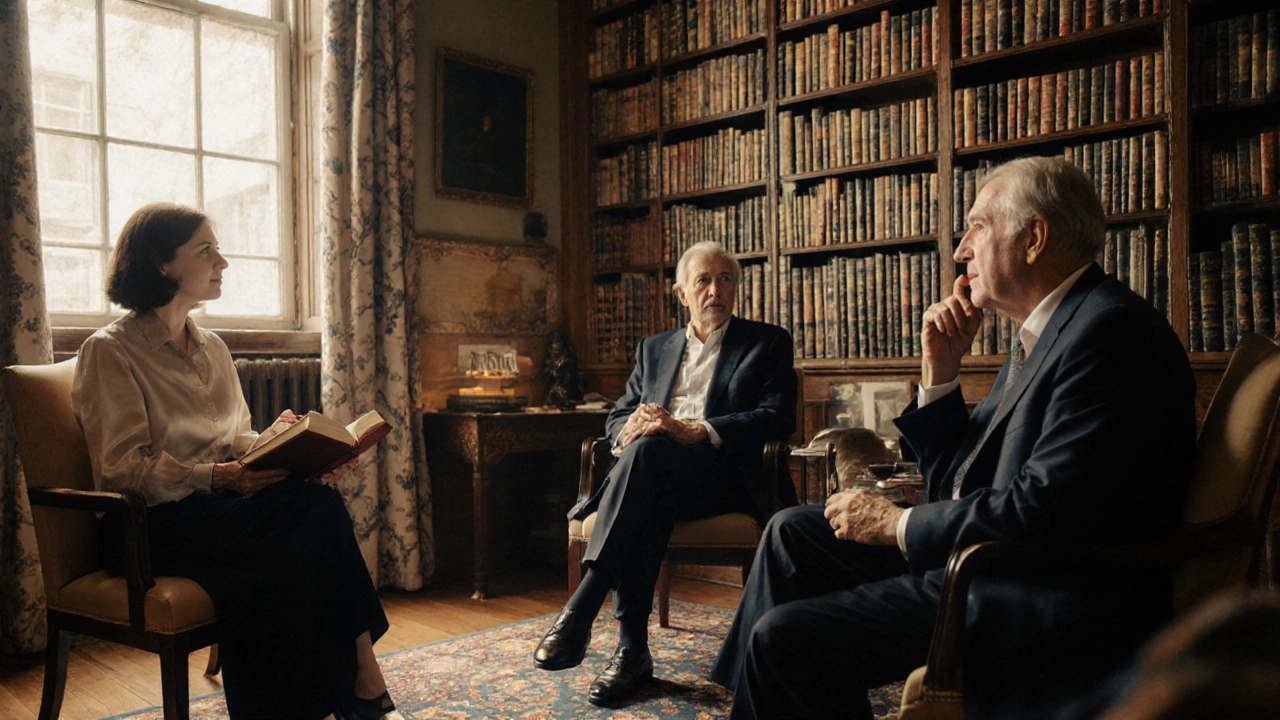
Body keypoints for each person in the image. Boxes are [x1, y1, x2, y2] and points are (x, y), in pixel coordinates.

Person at [710, 157, 1198, 719]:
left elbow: (1045, 509)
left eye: (978, 227)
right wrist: (941, 372)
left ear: (1034, 238)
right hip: (996, 559)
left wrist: (896, 524)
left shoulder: (1108, 334)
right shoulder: (1047, 332)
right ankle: (751, 698)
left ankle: (763, 684)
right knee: (792, 531)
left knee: (783, 637)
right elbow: (958, 480)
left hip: (1035, 593)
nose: (961, 250)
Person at [72, 203, 397, 720]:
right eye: (206, 251)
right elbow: (121, 470)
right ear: (162, 264)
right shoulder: (109, 351)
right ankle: (362, 683)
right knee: (307, 517)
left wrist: (282, 446)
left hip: (215, 509)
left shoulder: (214, 348)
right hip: (148, 525)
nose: (222, 262)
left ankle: (343, 688)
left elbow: (232, 440)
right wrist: (218, 476)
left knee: (312, 500)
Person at [533, 241, 797, 706]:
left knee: (651, 458)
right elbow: (618, 414)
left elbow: (776, 418)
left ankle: (586, 612)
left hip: (725, 477)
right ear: (681, 293)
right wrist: (627, 428)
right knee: (649, 468)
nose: (716, 290)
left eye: (725, 279)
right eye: (703, 280)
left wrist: (698, 430)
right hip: (655, 476)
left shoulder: (766, 342)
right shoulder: (654, 348)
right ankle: (631, 652)